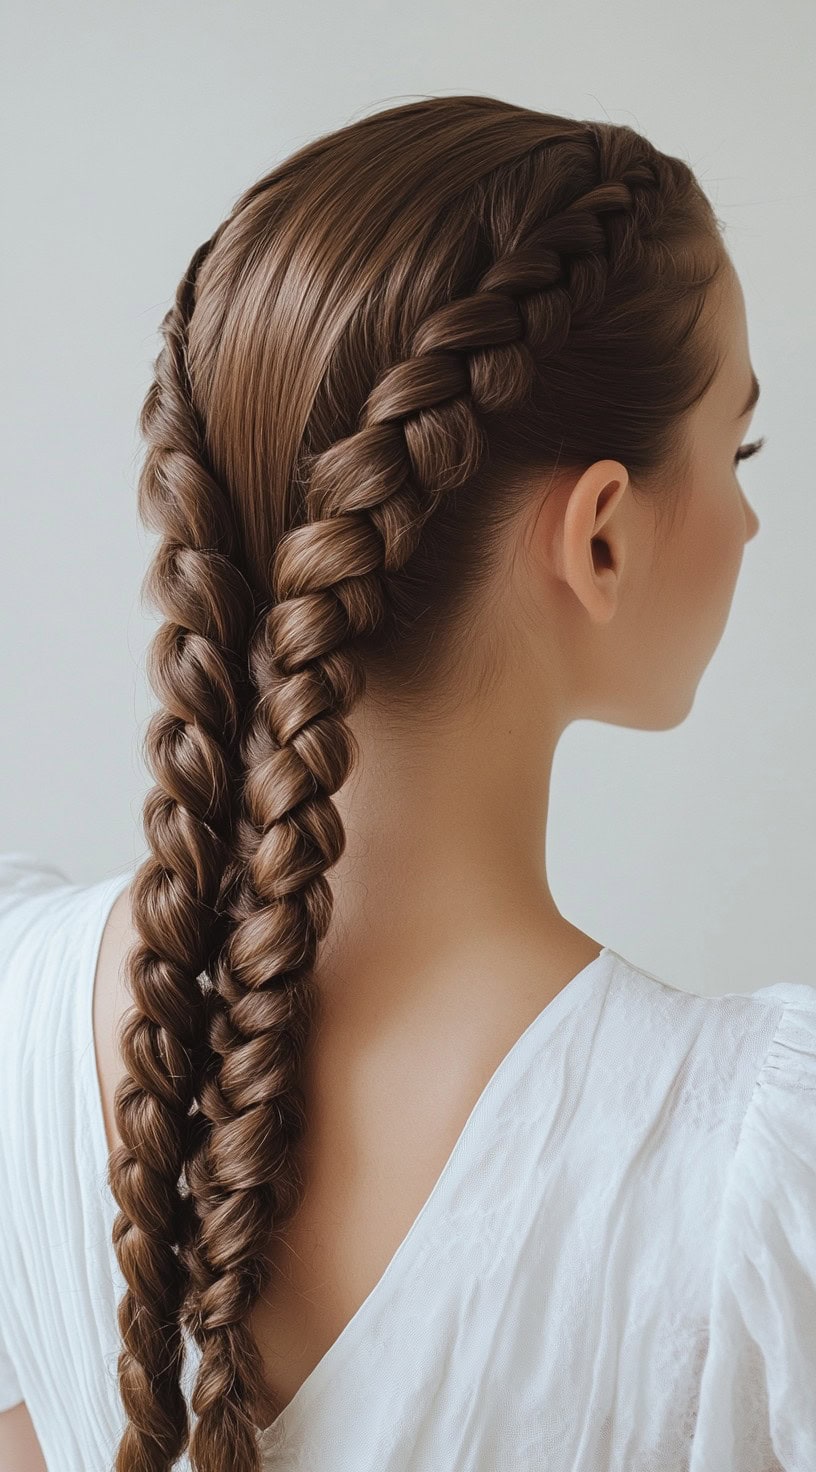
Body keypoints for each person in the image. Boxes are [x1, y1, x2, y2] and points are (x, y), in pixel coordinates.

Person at [0, 93, 813, 1472]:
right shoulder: (745, 1178)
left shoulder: (19, 1007)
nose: (745, 518)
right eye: (735, 454)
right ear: (599, 539)